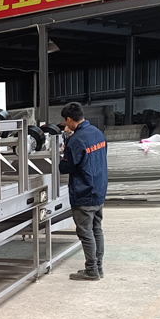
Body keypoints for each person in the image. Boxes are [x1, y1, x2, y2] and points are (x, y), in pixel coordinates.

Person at [59, 102, 108, 281]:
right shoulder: (98, 133)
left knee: (86, 233)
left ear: (69, 120)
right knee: (96, 229)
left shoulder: (76, 140)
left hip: (84, 192)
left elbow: (65, 168)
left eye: (65, 121)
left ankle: (91, 271)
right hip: (99, 189)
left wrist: (63, 153)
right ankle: (98, 268)